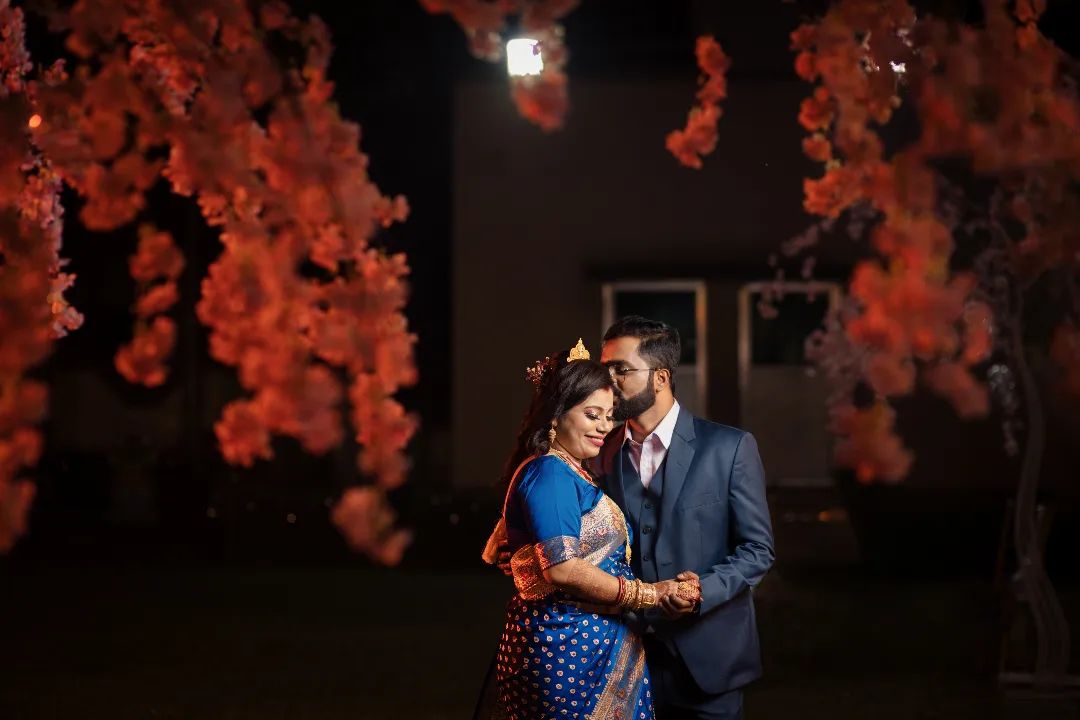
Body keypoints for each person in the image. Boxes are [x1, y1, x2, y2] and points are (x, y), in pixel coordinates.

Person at [477, 338, 701, 720]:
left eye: (609, 415)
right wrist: (651, 594)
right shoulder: (548, 472)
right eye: (592, 414)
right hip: (564, 650)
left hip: (591, 643)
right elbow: (562, 569)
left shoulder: (572, 472)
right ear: (556, 415)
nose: (605, 427)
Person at [594, 316, 775, 720]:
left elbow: (757, 550)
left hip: (709, 660)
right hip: (625, 660)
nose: (608, 382)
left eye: (621, 369)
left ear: (660, 377)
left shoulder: (729, 448)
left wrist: (701, 592)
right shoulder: (600, 453)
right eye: (604, 370)